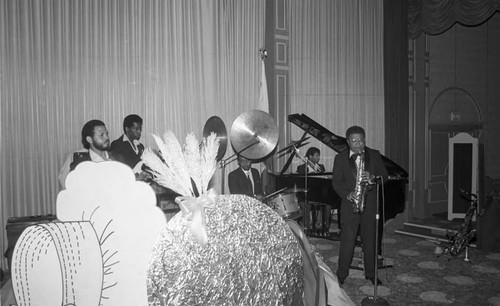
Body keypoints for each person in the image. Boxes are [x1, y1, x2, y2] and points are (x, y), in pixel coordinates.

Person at [332, 125, 388, 286]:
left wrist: (373, 177)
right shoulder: (340, 158)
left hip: (370, 206)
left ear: (365, 140)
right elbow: (336, 182)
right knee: (347, 241)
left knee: (370, 241)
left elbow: (384, 176)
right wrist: (347, 194)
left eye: (361, 140)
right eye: (354, 141)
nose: (358, 144)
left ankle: (370, 273)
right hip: (350, 207)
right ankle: (342, 274)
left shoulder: (375, 155)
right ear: (348, 142)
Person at [58, 119, 115, 188]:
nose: (107, 137)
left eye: (107, 134)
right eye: (101, 135)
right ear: (89, 139)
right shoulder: (80, 165)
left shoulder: (117, 158)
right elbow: (72, 190)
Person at [110, 114, 151, 181]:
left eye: (140, 128)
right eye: (136, 129)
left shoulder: (140, 146)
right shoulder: (117, 144)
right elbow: (120, 170)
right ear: (127, 129)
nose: (139, 131)